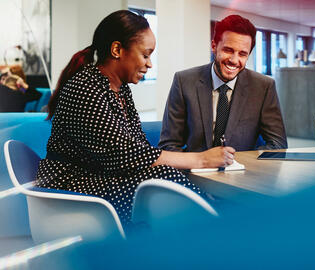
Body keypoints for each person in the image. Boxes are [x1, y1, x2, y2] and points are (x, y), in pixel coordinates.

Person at [35, 10, 235, 227]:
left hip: (99, 177)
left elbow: (138, 147)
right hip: (71, 186)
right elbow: (124, 156)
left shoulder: (121, 90)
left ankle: (215, 226)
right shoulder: (85, 88)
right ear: (117, 49)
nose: (149, 64)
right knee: (164, 179)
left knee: (167, 177)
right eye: (146, 55)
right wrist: (201, 159)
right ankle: (222, 227)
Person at [158, 15, 287, 152]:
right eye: (228, 50)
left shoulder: (263, 87)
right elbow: (168, 145)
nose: (234, 60)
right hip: (195, 169)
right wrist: (200, 163)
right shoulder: (184, 81)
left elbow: (277, 144)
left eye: (242, 54)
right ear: (214, 46)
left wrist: (237, 162)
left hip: (242, 170)